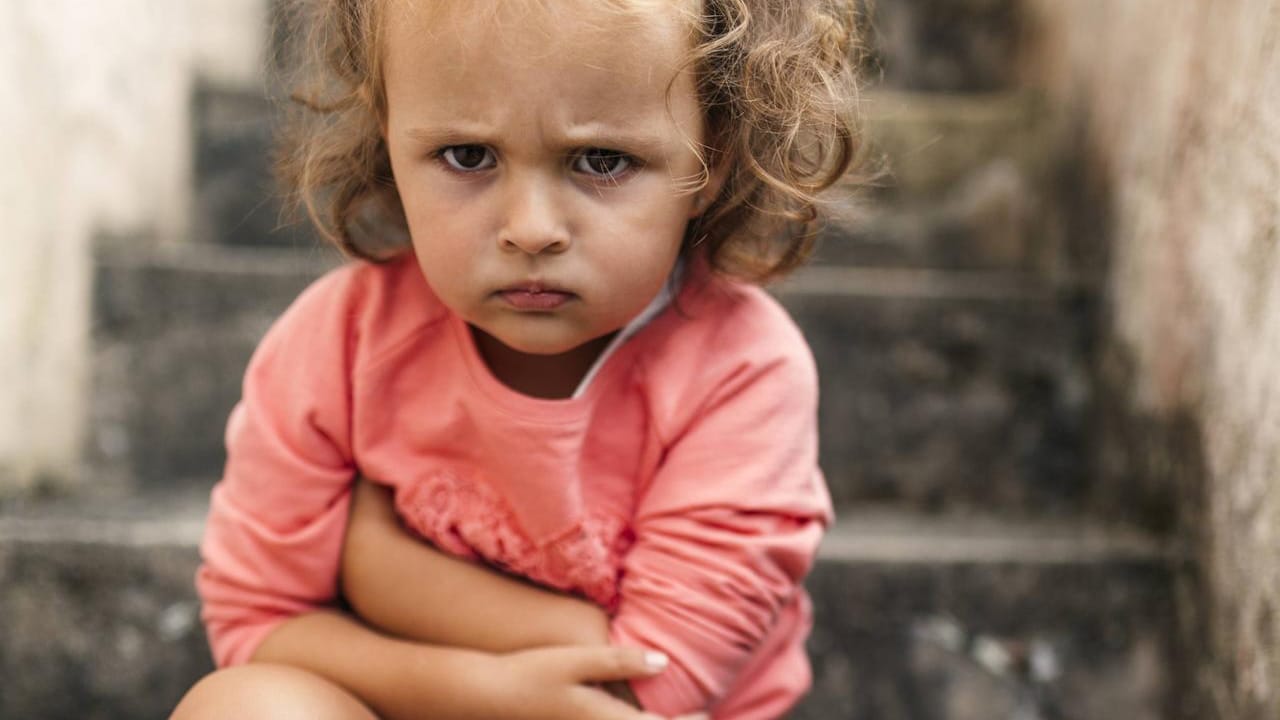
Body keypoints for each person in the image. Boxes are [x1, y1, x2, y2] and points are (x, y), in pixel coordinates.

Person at [171, 0, 862, 717]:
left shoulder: (741, 371)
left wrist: (381, 569)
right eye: (467, 156)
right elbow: (257, 623)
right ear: (390, 136)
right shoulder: (341, 344)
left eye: (602, 160)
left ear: (709, 161)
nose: (530, 230)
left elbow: (643, 685)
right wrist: (483, 689)